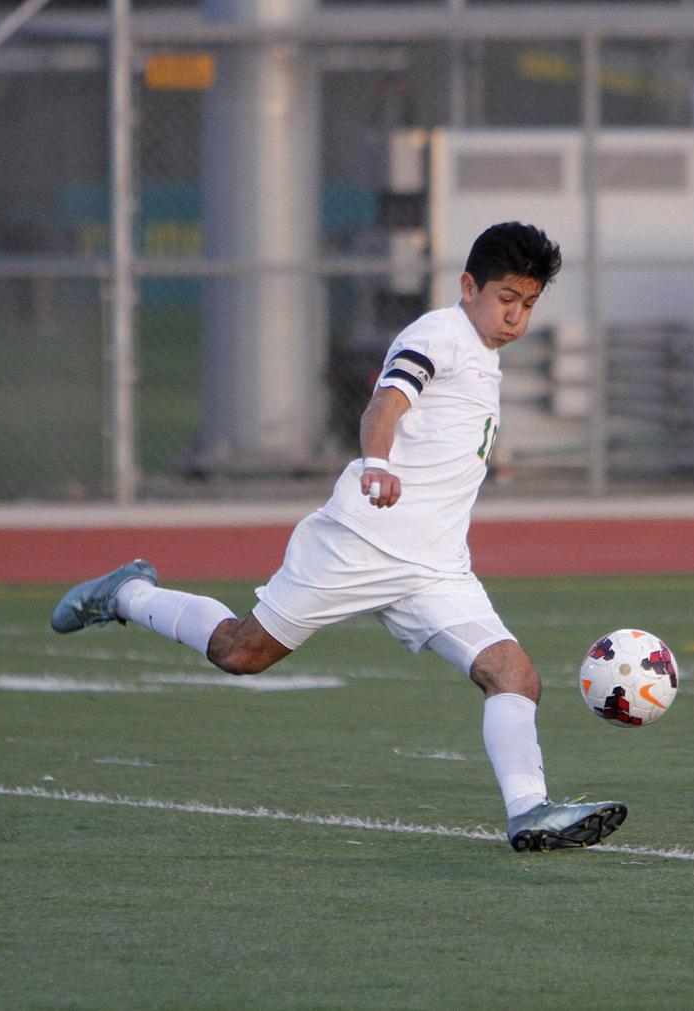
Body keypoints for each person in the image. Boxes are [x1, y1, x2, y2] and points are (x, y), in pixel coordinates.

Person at [51, 221, 626, 851]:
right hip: (360, 543)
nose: (515, 317)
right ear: (468, 287)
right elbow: (385, 403)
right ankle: (128, 594)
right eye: (506, 300)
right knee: (242, 653)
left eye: (529, 304)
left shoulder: (484, 356)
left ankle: (529, 811)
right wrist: (377, 463)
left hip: (435, 568)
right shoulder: (439, 334)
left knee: (513, 674)